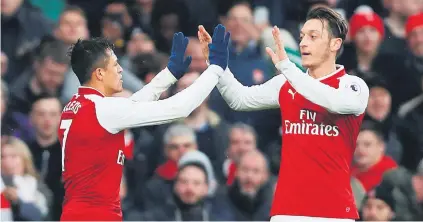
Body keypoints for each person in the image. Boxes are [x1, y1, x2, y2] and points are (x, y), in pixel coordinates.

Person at [198, 7, 369, 222]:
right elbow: (239, 99)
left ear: (335, 44)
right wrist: (218, 66)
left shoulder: (353, 85)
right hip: (287, 211)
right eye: (302, 36)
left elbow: (334, 102)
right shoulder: (285, 84)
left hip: (334, 211)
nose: (303, 43)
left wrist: (289, 69)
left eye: (313, 37)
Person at [58, 24, 230, 220]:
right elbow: (179, 108)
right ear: (99, 74)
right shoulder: (104, 109)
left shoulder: (76, 106)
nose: (121, 69)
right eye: (115, 65)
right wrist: (215, 70)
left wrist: (169, 75)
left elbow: (131, 106)